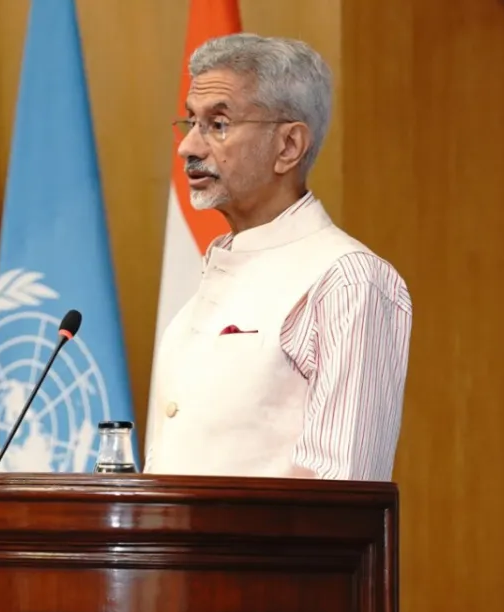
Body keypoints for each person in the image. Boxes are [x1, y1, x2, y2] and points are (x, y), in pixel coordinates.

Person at [144, 33, 412, 481]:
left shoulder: (346, 280)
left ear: (288, 146)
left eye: (219, 124)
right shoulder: (212, 274)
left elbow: (342, 500)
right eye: (190, 122)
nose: (188, 147)